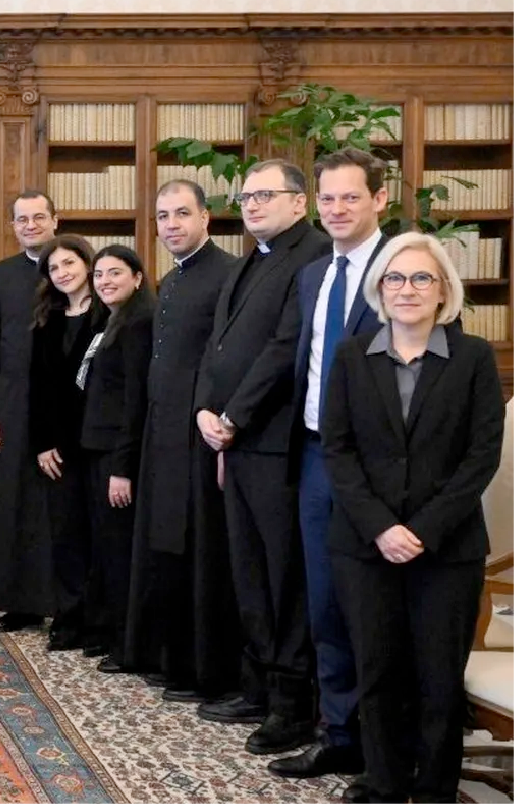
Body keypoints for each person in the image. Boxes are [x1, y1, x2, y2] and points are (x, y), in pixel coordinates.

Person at [323, 233, 504, 804]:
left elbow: (482, 457)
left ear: (444, 289)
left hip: (447, 550)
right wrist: (381, 526)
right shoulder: (352, 356)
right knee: (377, 671)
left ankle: (433, 790)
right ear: (380, 288)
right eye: (396, 279)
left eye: (422, 278)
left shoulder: (474, 358)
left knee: (437, 677)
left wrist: (422, 530)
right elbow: (338, 450)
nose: (407, 289)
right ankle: (383, 782)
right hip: (364, 545)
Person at [193, 159, 330, 754]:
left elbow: (284, 349)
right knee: (248, 571)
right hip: (236, 441)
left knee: (283, 578)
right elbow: (217, 344)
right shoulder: (254, 256)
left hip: (275, 442)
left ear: (300, 203)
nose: (250, 205)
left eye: (264, 195)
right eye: (245, 197)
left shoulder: (312, 257)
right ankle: (257, 684)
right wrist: (204, 407)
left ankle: (292, 705)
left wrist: (231, 416)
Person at [270, 147, 390, 783]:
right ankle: (338, 734)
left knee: (375, 606)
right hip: (316, 457)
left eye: (351, 196)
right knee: (325, 606)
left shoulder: (403, 270)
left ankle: (385, 749)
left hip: (379, 470)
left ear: (379, 200)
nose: (338, 208)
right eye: (329, 198)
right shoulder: (315, 274)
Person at [121, 180, 242, 704]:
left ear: (205, 219)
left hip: (201, 434)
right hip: (162, 434)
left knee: (202, 554)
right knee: (167, 547)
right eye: (162, 215)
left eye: (181, 214)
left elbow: (225, 359)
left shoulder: (229, 275)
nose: (170, 224)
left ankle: (207, 671)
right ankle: (173, 660)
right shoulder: (169, 282)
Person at [0, 191, 60, 633]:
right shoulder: (1, 275)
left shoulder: (70, 268)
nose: (30, 225)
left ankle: (63, 602)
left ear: (54, 221)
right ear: (13, 226)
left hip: (60, 406)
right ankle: (19, 603)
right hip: (9, 406)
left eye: (38, 217)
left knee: (56, 504)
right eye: (22, 219)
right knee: (14, 503)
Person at [25, 235, 108, 653]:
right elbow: (38, 388)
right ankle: (68, 618)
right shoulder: (46, 319)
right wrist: (42, 444)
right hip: (56, 447)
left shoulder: (109, 314)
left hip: (97, 444)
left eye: (69, 264)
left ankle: (99, 625)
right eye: (54, 268)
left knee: (99, 535)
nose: (63, 273)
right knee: (65, 536)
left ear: (87, 264)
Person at [76, 245, 153, 670]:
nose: (105, 281)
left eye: (115, 273)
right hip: (97, 450)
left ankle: (129, 646)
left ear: (138, 278)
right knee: (105, 550)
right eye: (100, 274)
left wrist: (122, 469)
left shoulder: (139, 324)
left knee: (121, 553)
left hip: (116, 457)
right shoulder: (110, 321)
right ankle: (109, 633)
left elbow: (133, 403)